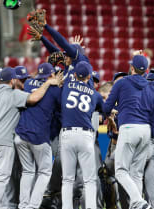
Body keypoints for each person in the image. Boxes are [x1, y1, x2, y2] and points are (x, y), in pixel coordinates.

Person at [0, 67, 60, 209]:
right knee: (2, 179)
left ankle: (11, 205)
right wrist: (47, 83)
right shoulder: (14, 94)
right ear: (13, 80)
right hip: (4, 141)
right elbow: (33, 98)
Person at [103, 55, 154, 209]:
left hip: (129, 128)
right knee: (137, 174)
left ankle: (139, 202)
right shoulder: (153, 88)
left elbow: (106, 107)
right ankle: (137, 206)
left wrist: (109, 112)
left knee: (121, 171)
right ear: (146, 71)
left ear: (131, 68)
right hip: (146, 131)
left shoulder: (122, 83)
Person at [15, 63, 62, 209]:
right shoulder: (54, 89)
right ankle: (32, 206)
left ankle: (23, 205)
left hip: (20, 135)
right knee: (44, 172)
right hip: (38, 136)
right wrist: (56, 84)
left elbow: (36, 80)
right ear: (51, 75)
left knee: (28, 171)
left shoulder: (28, 82)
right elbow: (61, 107)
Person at [60, 61, 103, 209]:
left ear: (75, 75)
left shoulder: (66, 85)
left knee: (67, 179)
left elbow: (67, 71)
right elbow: (106, 109)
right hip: (85, 135)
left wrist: (67, 65)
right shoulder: (95, 94)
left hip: (67, 133)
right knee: (90, 179)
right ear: (89, 76)